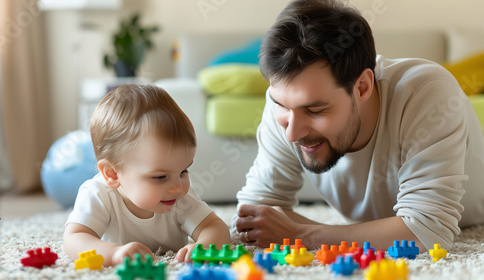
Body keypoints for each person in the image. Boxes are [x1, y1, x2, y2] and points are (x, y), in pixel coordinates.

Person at [234, 0, 484, 253]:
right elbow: (254, 217)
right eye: (282, 106)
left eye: (316, 110)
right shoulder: (288, 102)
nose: (292, 133)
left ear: (363, 86)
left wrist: (301, 235)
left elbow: (428, 233)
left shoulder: (426, 92)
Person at [64, 84, 230, 267]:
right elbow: (74, 238)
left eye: (183, 171)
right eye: (160, 177)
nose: (178, 187)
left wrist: (205, 246)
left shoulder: (180, 197)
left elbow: (214, 226)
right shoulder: (98, 194)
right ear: (112, 174)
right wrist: (113, 253)